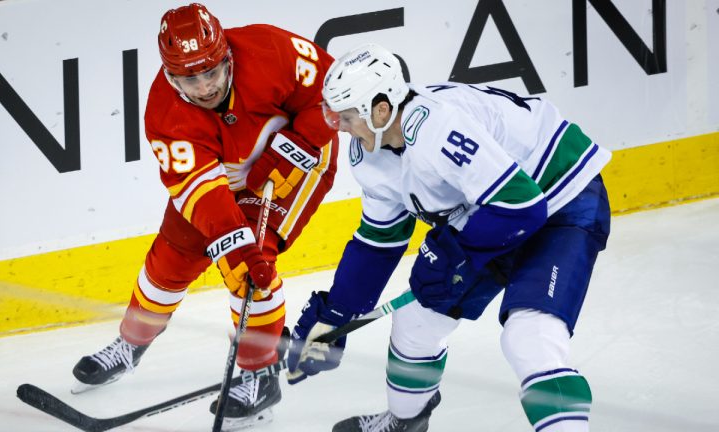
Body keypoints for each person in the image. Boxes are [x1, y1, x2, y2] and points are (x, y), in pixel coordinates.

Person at [286, 42, 611, 432]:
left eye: (349, 116)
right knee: (416, 323)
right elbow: (378, 241)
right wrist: (334, 316)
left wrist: (457, 254)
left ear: (382, 109)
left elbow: (523, 206)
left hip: (560, 199)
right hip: (492, 214)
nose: (341, 128)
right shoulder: (368, 153)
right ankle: (406, 422)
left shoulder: (439, 127)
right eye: (336, 116)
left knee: (529, 336)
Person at [71, 3, 338, 428]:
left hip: (296, 161)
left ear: (227, 55)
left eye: (211, 72)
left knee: (255, 268)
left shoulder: (271, 49)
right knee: (174, 254)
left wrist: (295, 145)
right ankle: (130, 343)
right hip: (223, 175)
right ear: (169, 75)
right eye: (188, 79)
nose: (204, 87)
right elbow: (208, 201)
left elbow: (333, 94)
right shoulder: (165, 114)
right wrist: (238, 248)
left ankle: (259, 372)